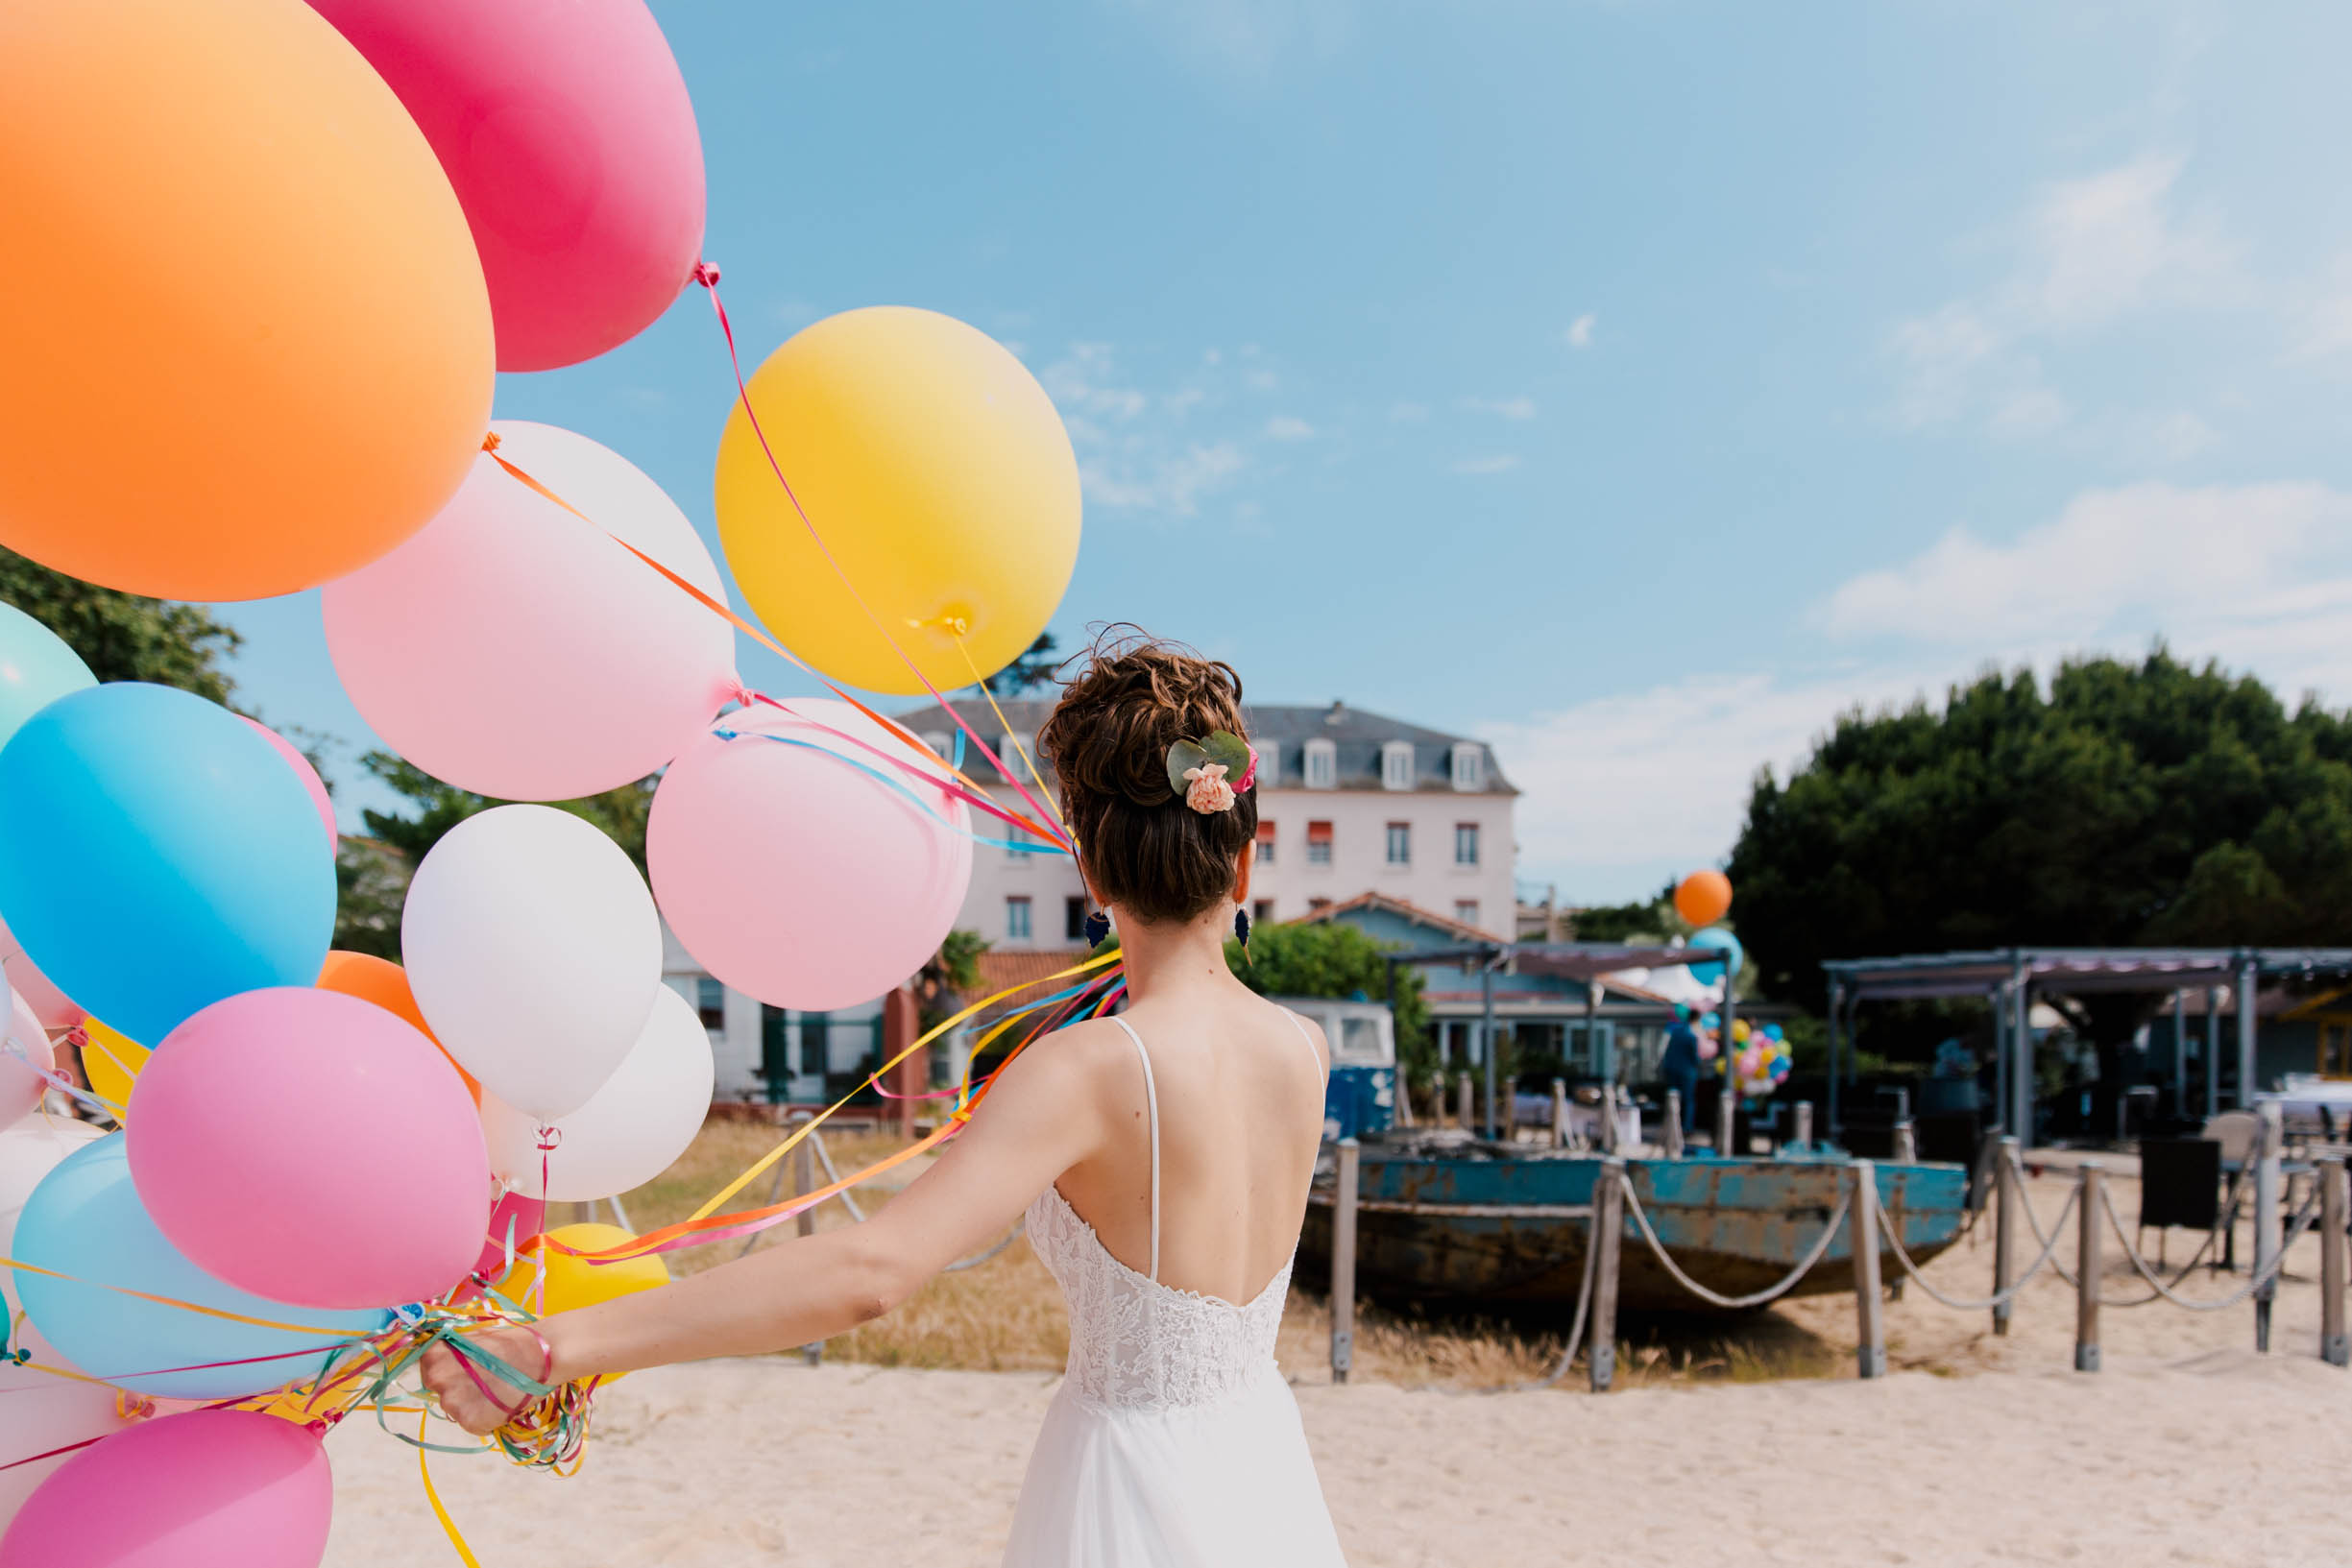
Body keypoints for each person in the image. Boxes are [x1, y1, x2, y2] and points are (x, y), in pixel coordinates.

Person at [423, 630, 1350, 1568]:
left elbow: (872, 1272)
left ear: (1094, 876)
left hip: (1126, 1479)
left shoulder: (1087, 1070)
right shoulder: (1304, 1050)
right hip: (1262, 1468)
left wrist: (554, 1346)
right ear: (1240, 865)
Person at [1659, 1004, 1700, 1132]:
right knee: (1688, 1101)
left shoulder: (1675, 1032)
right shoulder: (1691, 1035)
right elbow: (1694, 1057)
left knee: (1672, 1099)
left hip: (1671, 1070)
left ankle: (1671, 1126)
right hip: (1686, 1072)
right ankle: (1686, 1127)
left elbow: (1667, 1052)